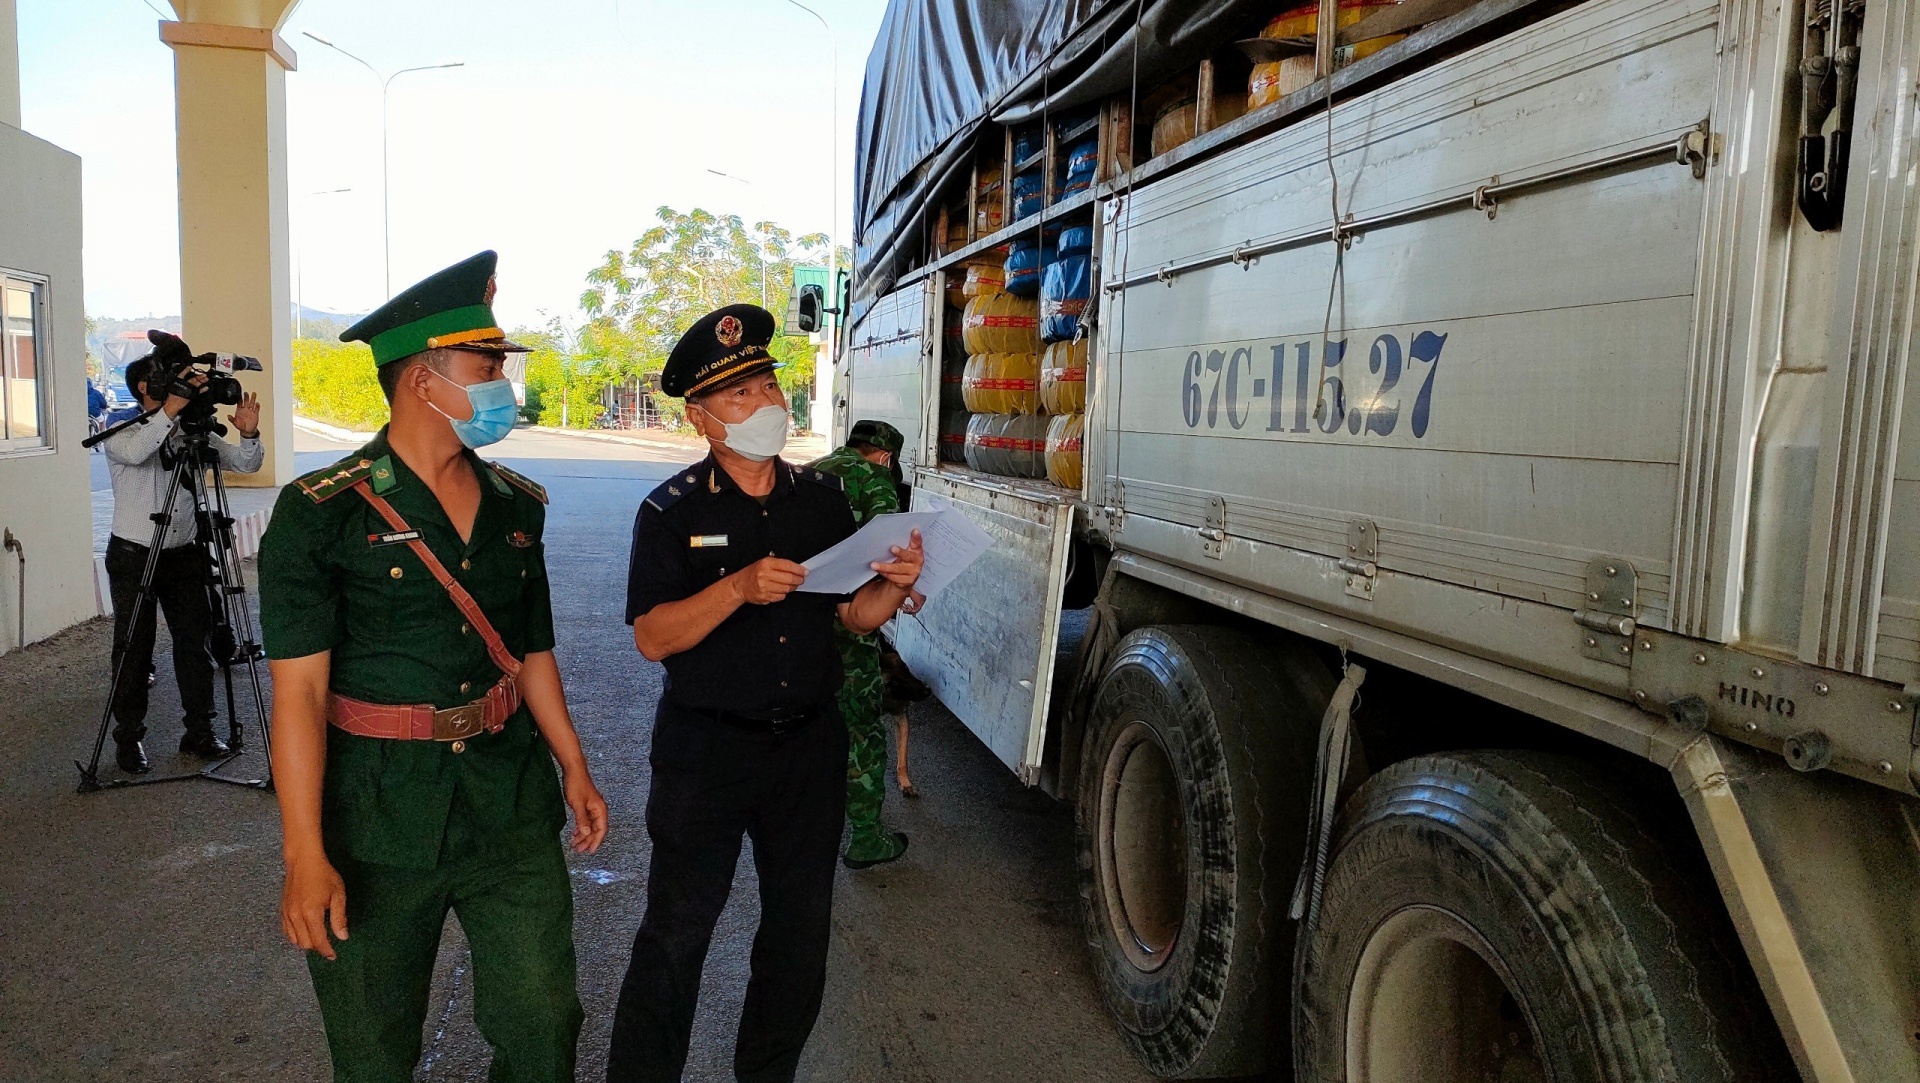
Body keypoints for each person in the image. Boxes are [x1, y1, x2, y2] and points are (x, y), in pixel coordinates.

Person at [258, 251, 608, 1082]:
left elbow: (530, 652)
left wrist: (574, 764)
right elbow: (300, 695)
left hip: (507, 803)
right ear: (422, 380)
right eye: (486, 366)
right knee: (374, 1049)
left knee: (543, 1025)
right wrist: (303, 853)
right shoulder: (322, 515)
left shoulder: (517, 505)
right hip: (377, 814)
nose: (501, 384)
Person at [608, 304, 925, 1083]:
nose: (766, 403)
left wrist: (895, 588)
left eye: (768, 383)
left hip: (807, 751)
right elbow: (652, 636)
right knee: (677, 936)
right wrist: (739, 587)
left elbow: (851, 614)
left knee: (797, 938)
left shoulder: (819, 500)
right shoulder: (672, 512)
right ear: (702, 416)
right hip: (706, 752)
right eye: (741, 393)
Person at [100, 343, 264, 773]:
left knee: (196, 646)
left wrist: (249, 433)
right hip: (136, 554)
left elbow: (246, 464)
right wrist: (169, 412)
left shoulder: (192, 431)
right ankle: (128, 739)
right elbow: (139, 453)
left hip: (185, 553)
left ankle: (200, 732)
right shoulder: (122, 429)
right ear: (145, 386)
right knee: (134, 647)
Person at [808, 419, 918, 868]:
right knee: (862, 731)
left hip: (804, 624)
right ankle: (868, 838)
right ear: (886, 458)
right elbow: (889, 551)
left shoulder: (809, 472)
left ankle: (809, 832)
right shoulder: (876, 482)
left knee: (811, 726)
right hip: (851, 624)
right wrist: (907, 590)